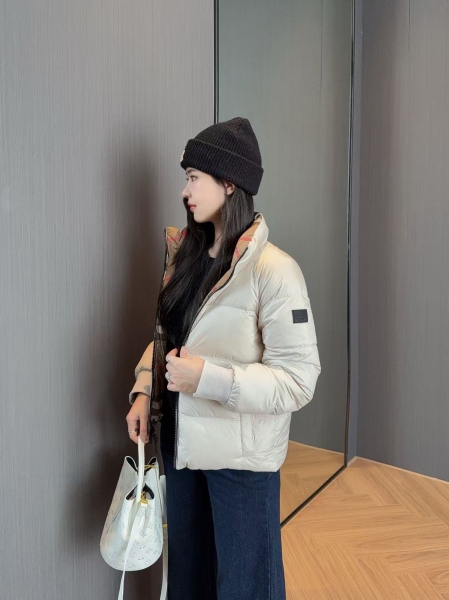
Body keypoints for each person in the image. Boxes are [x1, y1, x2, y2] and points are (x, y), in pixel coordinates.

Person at [125, 117, 321, 600]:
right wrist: (144, 389)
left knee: (246, 587)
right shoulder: (186, 258)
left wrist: (207, 379)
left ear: (229, 183)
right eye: (186, 178)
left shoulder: (276, 272)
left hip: (241, 461)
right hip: (182, 447)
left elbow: (298, 380)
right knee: (189, 581)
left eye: (194, 177)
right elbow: (165, 338)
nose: (185, 190)